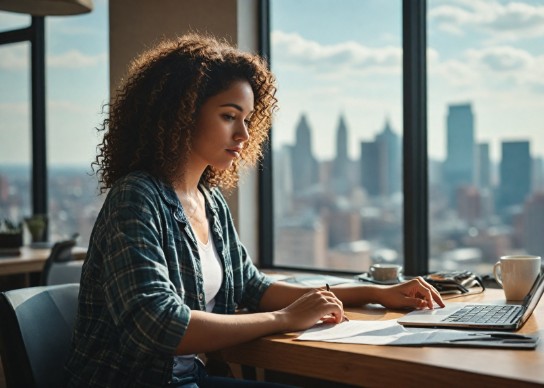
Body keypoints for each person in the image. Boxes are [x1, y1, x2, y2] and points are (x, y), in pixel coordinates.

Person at [64, 33, 445, 387]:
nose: (244, 135)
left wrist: (375, 292)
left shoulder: (208, 201)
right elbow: (156, 325)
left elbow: (252, 287)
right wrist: (285, 320)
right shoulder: (136, 197)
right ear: (180, 114)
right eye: (229, 116)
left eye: (247, 120)